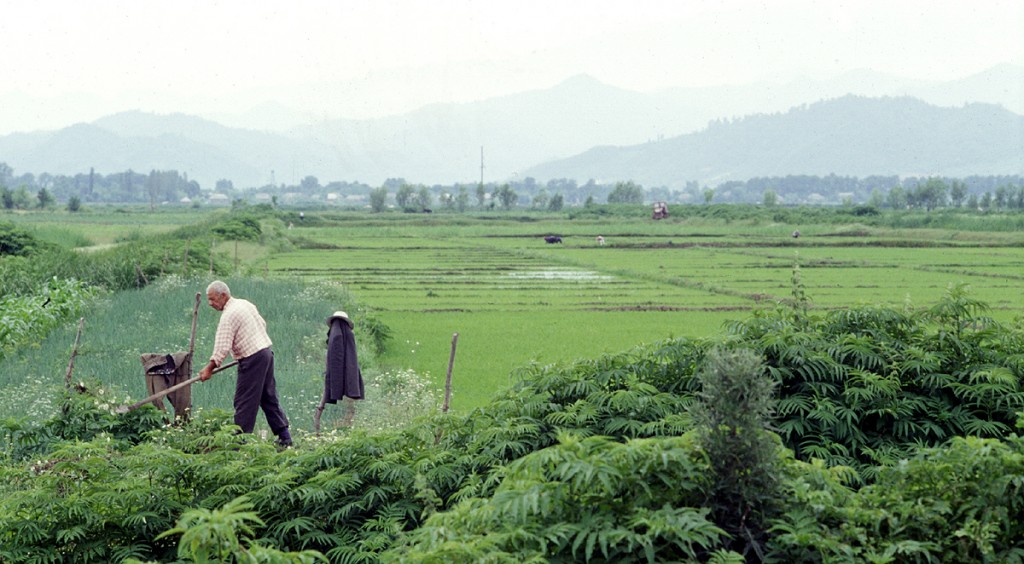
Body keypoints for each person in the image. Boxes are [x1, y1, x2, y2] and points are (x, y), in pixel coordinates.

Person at [199, 280, 292, 447]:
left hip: (253, 358)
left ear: (223, 296)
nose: (210, 304)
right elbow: (262, 324)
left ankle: (239, 443)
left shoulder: (229, 315)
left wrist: (209, 368)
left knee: (244, 401)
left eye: (212, 299)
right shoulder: (245, 304)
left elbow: (222, 346)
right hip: (265, 353)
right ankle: (285, 437)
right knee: (268, 397)